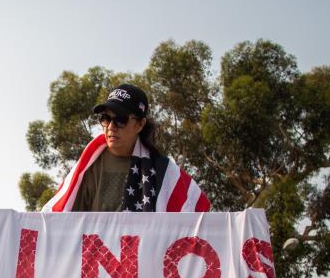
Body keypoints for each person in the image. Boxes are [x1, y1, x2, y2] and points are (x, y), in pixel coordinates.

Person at [42, 83, 211, 213]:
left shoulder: (163, 170)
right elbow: (65, 222)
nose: (111, 127)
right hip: (97, 256)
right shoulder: (89, 167)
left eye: (120, 120)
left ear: (139, 124)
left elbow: (198, 211)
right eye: (105, 118)